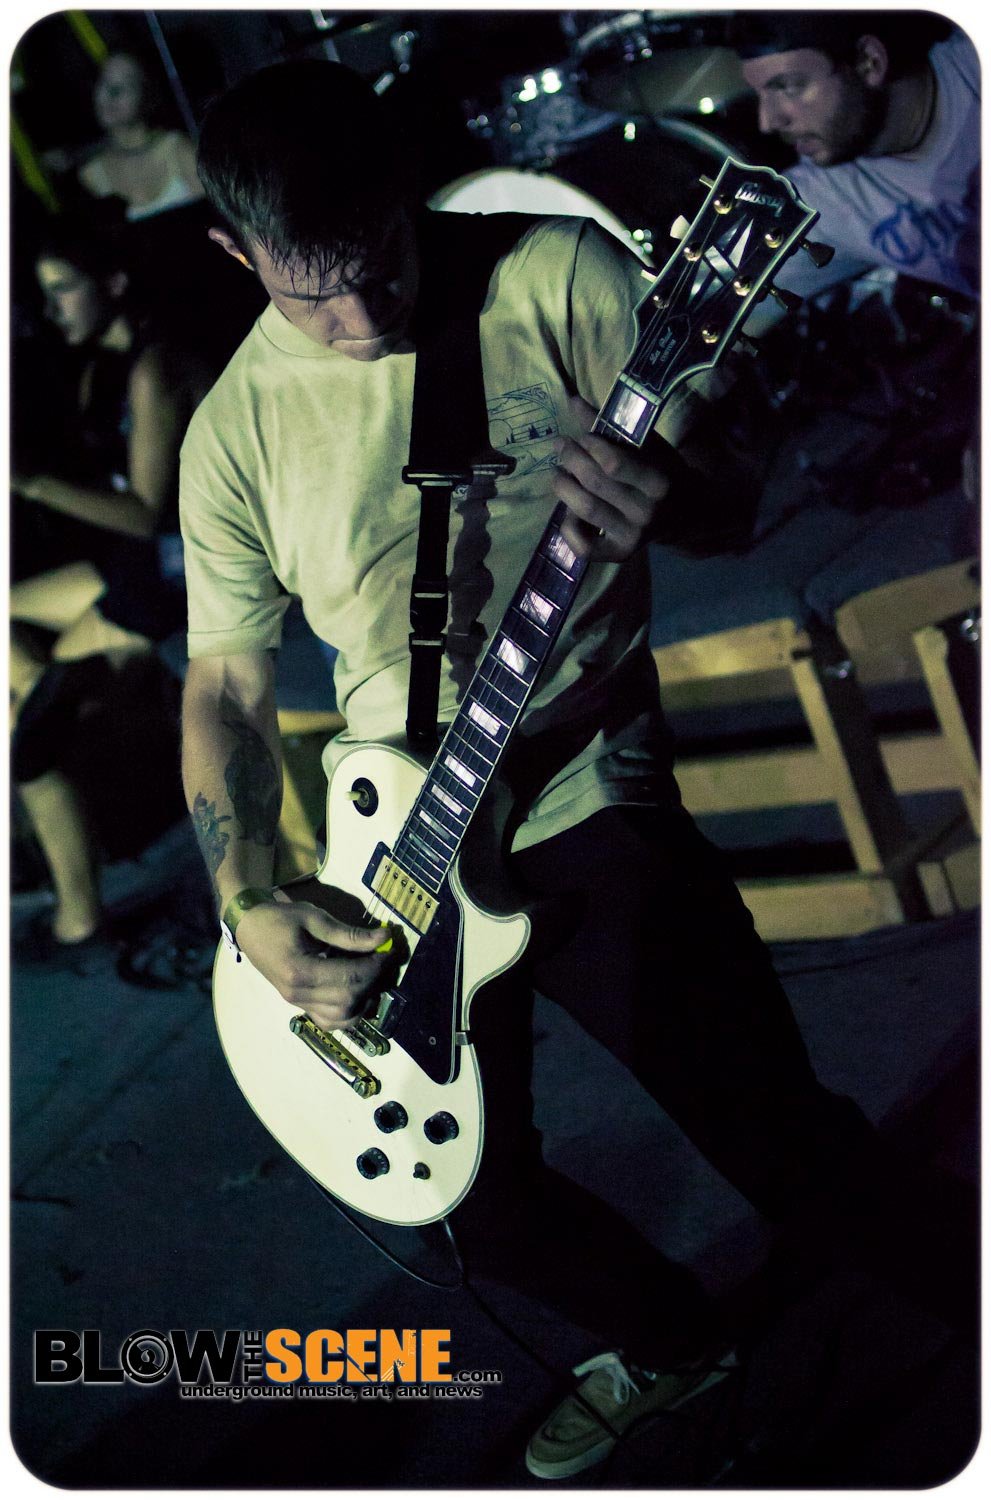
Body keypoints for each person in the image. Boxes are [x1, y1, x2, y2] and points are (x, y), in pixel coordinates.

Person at [178, 59, 879, 1479]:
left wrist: (675, 494)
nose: (362, 319)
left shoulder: (551, 274)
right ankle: (671, 1344)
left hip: (573, 777)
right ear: (233, 256)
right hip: (394, 848)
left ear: (404, 194)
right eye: (311, 296)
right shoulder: (230, 433)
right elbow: (229, 688)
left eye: (379, 266)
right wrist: (247, 900)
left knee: (769, 1133)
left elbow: (728, 487)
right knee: (461, 1206)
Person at [11, 210, 213, 951]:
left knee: (30, 747)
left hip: (182, 568)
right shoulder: (103, 365)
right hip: (143, 559)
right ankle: (44, 708)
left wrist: (28, 482)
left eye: (64, 288)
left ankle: (79, 919)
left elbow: (144, 512)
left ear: (115, 284)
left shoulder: (156, 368)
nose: (52, 307)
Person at [728, 11, 978, 301]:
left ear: (870, 61)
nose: (768, 122)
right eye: (759, 94)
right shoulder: (820, 198)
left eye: (789, 87)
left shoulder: (973, 64)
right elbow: (721, 286)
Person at [77, 49, 203, 221]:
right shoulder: (91, 174)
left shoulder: (179, 150)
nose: (111, 93)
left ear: (147, 92)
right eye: (105, 81)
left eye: (127, 83)